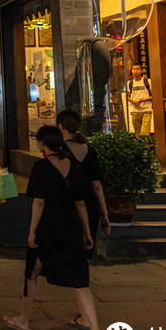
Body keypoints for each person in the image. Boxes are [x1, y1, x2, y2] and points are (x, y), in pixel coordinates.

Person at [4, 126, 104, 330]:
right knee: (81, 280)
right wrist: (86, 232)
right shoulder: (72, 166)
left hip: (48, 228)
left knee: (32, 272)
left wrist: (31, 230)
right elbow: (80, 203)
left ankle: (23, 319)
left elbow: (39, 202)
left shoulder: (40, 167)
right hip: (71, 228)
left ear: (42, 144)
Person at [58, 109, 111, 270]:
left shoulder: (59, 152)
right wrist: (104, 212)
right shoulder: (90, 151)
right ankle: (80, 276)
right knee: (85, 248)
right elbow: (97, 185)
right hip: (90, 204)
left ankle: (74, 279)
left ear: (60, 127)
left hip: (66, 203)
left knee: (67, 245)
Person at [126, 64, 153, 136]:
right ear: (131, 71)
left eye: (138, 69)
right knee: (137, 133)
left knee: (145, 132)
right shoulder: (129, 83)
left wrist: (143, 100)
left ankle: (145, 146)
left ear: (141, 71)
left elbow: (154, 96)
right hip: (135, 111)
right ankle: (140, 146)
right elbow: (127, 97)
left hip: (146, 109)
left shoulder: (148, 81)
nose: (136, 71)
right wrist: (133, 101)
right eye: (134, 69)